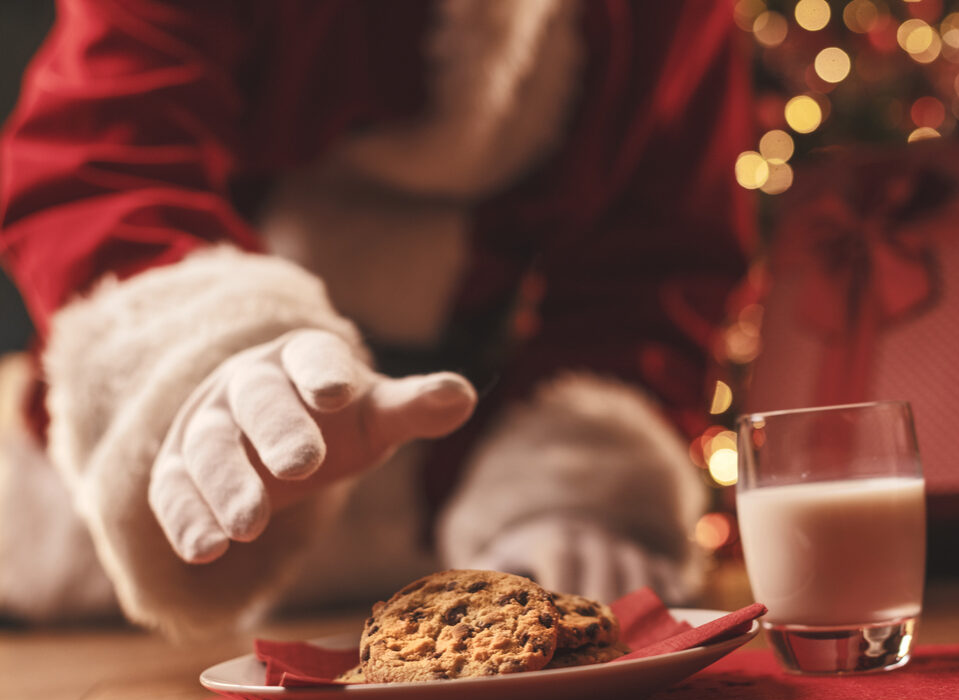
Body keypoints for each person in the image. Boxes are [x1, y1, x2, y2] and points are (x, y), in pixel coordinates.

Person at [0, 0, 754, 637]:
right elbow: (102, 157)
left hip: (453, 530)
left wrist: (576, 486)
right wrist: (198, 356)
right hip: (110, 582)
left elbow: (657, 259)